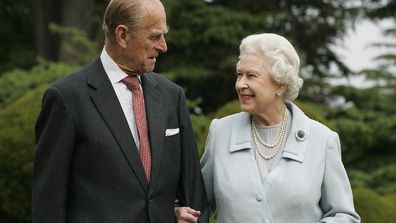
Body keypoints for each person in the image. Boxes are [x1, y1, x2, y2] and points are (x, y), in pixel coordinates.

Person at [32, 0, 208, 222]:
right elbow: (48, 205)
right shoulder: (66, 98)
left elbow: (194, 196)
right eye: (154, 36)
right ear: (122, 35)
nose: (163, 46)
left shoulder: (172, 96)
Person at [179, 33, 361, 223]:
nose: (240, 84)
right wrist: (180, 211)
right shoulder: (221, 132)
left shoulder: (322, 140)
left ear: (281, 84)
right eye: (239, 74)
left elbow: (344, 215)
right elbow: (197, 206)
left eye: (251, 76)